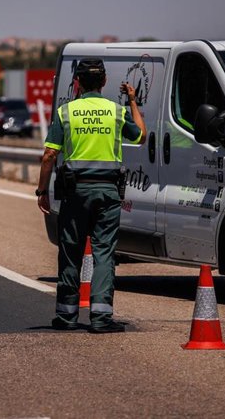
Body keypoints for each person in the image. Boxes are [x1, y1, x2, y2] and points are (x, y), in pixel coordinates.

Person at [35, 58, 147, 333]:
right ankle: (101, 318)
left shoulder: (66, 112)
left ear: (77, 83)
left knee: (71, 253)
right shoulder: (116, 111)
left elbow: (50, 154)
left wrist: (42, 190)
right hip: (108, 192)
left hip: (75, 192)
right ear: (105, 82)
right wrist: (132, 101)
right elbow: (141, 136)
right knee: (104, 254)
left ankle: (66, 316)